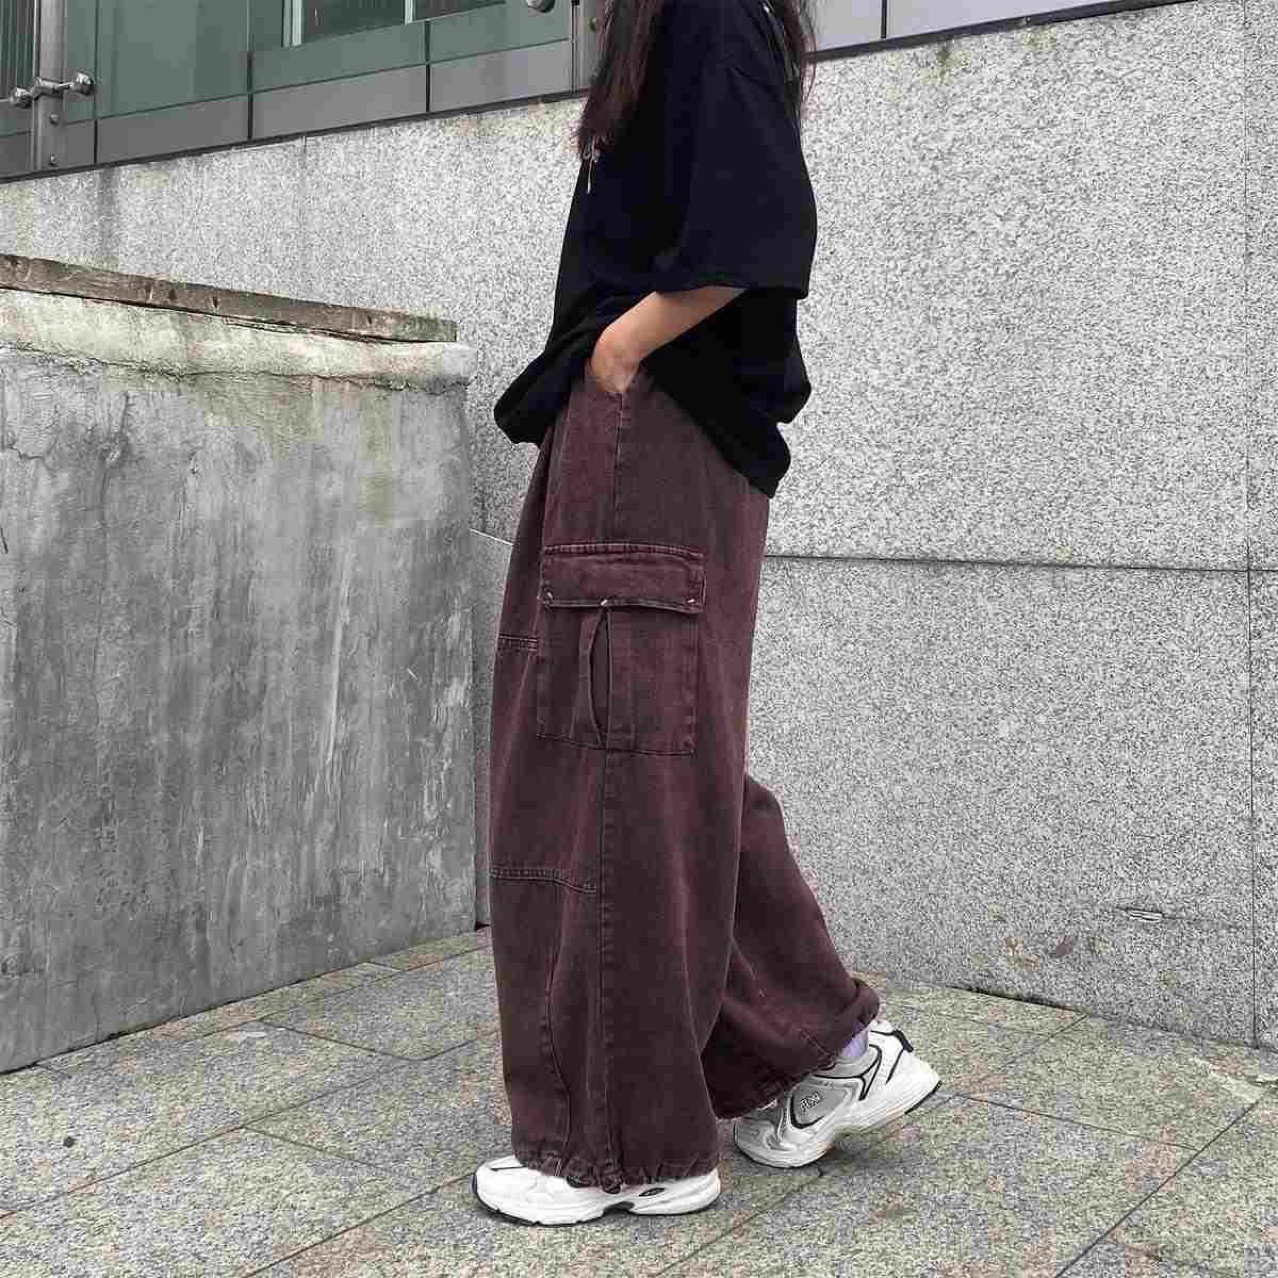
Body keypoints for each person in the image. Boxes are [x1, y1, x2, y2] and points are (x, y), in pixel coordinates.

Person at [472, 0, 940, 1226]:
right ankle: (827, 1050)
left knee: (611, 774)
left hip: (654, 434)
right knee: (666, 766)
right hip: (658, 438)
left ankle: (624, 1150)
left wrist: (621, 352)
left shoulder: (703, 9)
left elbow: (756, 227)